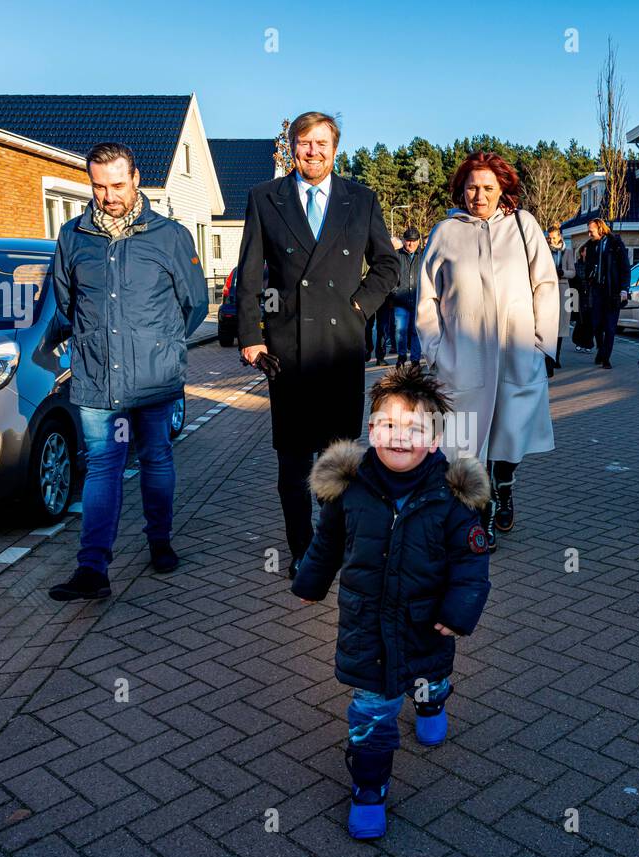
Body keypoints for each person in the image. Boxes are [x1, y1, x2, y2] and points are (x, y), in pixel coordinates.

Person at [292, 366, 491, 839]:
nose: (399, 438)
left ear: (434, 437)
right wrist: (309, 582)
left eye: (414, 428)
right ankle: (368, 787)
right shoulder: (349, 487)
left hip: (428, 624)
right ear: (370, 429)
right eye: (386, 425)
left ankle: (432, 702)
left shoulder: (452, 495)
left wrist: (458, 612)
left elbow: (470, 564)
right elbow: (327, 542)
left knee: (430, 678)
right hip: (365, 626)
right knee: (371, 710)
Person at [236, 111, 399, 579]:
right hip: (286, 351)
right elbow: (250, 274)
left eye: (322, 143)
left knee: (340, 458)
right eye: (304, 143)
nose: (313, 151)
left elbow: (387, 266)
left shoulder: (361, 199)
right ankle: (302, 551)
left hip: (341, 348)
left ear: (335, 148)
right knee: (292, 462)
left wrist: (358, 307)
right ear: (292, 147)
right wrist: (250, 336)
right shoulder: (265, 198)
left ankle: (337, 544)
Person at [48, 142, 209, 600]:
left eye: (117, 185)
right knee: (103, 466)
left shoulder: (170, 236)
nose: (109, 195)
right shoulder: (73, 236)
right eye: (99, 186)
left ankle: (160, 540)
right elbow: (65, 302)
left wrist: (164, 342)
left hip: (154, 378)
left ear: (136, 178)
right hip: (98, 378)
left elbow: (194, 302)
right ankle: (92, 569)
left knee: (156, 458)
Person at [416, 151, 557, 551]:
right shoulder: (445, 232)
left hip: (516, 353)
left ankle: (505, 488)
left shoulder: (523, 225)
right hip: (461, 359)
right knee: (462, 445)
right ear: (461, 189)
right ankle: (481, 517)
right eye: (472, 187)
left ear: (503, 190)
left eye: (489, 188)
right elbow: (428, 298)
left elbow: (546, 285)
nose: (480, 195)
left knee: (509, 438)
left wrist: (541, 347)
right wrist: (436, 352)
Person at [583, 218, 629, 369]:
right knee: (596, 325)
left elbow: (624, 267)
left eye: (591, 230)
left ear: (600, 229)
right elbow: (587, 266)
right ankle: (601, 349)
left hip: (612, 291)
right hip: (597, 290)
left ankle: (606, 358)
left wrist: (624, 289)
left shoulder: (615, 243)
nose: (589, 233)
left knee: (610, 327)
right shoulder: (591, 245)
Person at [392, 227, 423, 368]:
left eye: (414, 241)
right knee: (400, 330)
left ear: (418, 241)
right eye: (408, 241)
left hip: (418, 299)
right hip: (401, 300)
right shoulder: (396, 256)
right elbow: (390, 276)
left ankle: (415, 359)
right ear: (403, 240)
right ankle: (402, 356)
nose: (411, 244)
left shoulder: (423, 255)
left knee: (416, 331)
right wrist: (395, 291)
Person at [547, 224, 573, 369]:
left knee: (561, 326)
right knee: (548, 323)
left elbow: (573, 272)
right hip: (548, 289)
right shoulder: (545, 251)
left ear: (560, 237)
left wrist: (562, 272)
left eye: (554, 238)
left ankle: (556, 357)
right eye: (549, 238)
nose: (551, 241)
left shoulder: (567, 253)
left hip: (563, 290)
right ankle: (548, 356)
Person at [570, 244, 593, 352]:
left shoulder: (593, 266)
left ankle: (588, 344)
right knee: (580, 320)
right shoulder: (576, 266)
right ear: (582, 253)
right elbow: (572, 284)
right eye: (586, 251)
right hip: (578, 296)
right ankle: (578, 341)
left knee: (589, 320)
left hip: (590, 296)